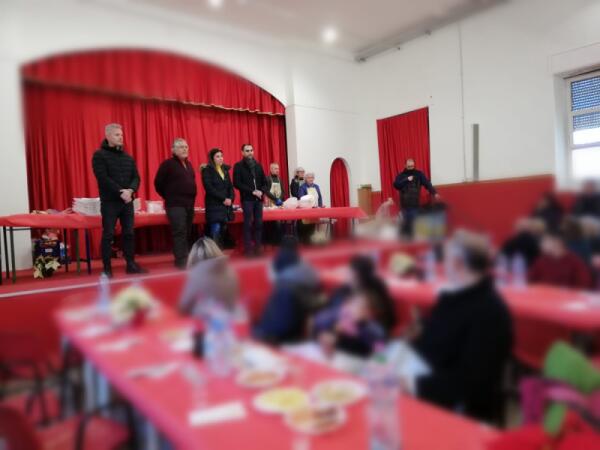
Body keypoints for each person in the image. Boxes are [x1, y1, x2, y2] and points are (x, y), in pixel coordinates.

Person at [409, 230, 513, 422]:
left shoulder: (490, 313)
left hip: (453, 408)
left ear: (457, 263)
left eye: (446, 259)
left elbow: (470, 383)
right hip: (424, 380)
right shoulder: (456, 296)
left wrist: (411, 384)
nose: (444, 265)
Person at [313, 255, 397, 357]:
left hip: (361, 347)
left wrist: (380, 358)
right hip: (349, 338)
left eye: (348, 271)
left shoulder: (372, 298)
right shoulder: (347, 292)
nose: (345, 274)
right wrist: (334, 332)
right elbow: (338, 319)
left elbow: (380, 349)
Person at [92, 123, 146, 277]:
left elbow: (136, 177)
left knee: (129, 233)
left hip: (127, 201)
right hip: (110, 202)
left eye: (121, 135)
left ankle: (131, 265)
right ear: (108, 136)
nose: (121, 137)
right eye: (117, 135)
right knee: (108, 234)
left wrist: (131, 190)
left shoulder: (128, 157)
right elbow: (102, 178)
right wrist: (120, 192)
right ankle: (107, 268)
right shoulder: (99, 155)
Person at [253, 236, 321, 344]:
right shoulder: (302, 263)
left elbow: (273, 281)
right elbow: (314, 279)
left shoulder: (276, 264)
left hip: (284, 305)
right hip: (299, 307)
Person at [154, 138, 197, 269]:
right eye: (181, 147)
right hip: (175, 204)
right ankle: (181, 261)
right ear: (173, 150)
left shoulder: (189, 165)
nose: (185, 149)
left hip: (189, 204)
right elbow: (158, 183)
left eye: (186, 147)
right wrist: (168, 196)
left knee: (187, 232)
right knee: (180, 232)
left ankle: (186, 257)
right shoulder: (168, 164)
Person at [178, 237, 239, 318]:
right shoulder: (229, 271)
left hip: (209, 320)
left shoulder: (197, 276)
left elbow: (184, 306)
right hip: (233, 317)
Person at [233, 143, 268, 256]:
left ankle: (258, 248)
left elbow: (265, 182)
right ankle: (248, 250)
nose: (250, 153)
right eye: (247, 151)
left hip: (259, 200)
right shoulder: (238, 166)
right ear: (242, 152)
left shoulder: (258, 165)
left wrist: (261, 191)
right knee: (248, 225)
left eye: (251, 150)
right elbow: (237, 183)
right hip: (247, 199)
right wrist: (252, 191)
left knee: (259, 224)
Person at [393, 158, 440, 239]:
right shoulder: (401, 176)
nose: (411, 168)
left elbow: (427, 183)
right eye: (409, 166)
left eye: (412, 166)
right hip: (404, 205)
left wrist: (434, 193)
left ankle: (415, 241)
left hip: (414, 204)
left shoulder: (419, 174)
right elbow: (396, 185)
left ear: (414, 165)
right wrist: (406, 180)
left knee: (414, 226)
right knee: (406, 227)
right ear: (405, 165)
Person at [201, 148, 234, 248]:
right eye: (217, 156)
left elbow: (230, 187)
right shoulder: (207, 170)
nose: (221, 158)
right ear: (212, 158)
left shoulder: (225, 170)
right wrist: (224, 199)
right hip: (214, 205)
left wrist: (231, 198)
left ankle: (219, 252)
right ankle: (214, 253)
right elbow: (209, 188)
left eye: (221, 156)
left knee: (223, 230)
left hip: (225, 206)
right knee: (215, 230)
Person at [265, 163, 285, 245]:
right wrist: (275, 199)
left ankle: (279, 240)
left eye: (278, 168)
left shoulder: (280, 179)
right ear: (271, 169)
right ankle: (272, 241)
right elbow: (266, 191)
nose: (277, 170)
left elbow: (283, 191)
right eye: (275, 168)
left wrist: (280, 199)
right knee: (273, 222)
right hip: (271, 203)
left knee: (280, 222)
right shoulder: (267, 179)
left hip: (279, 203)